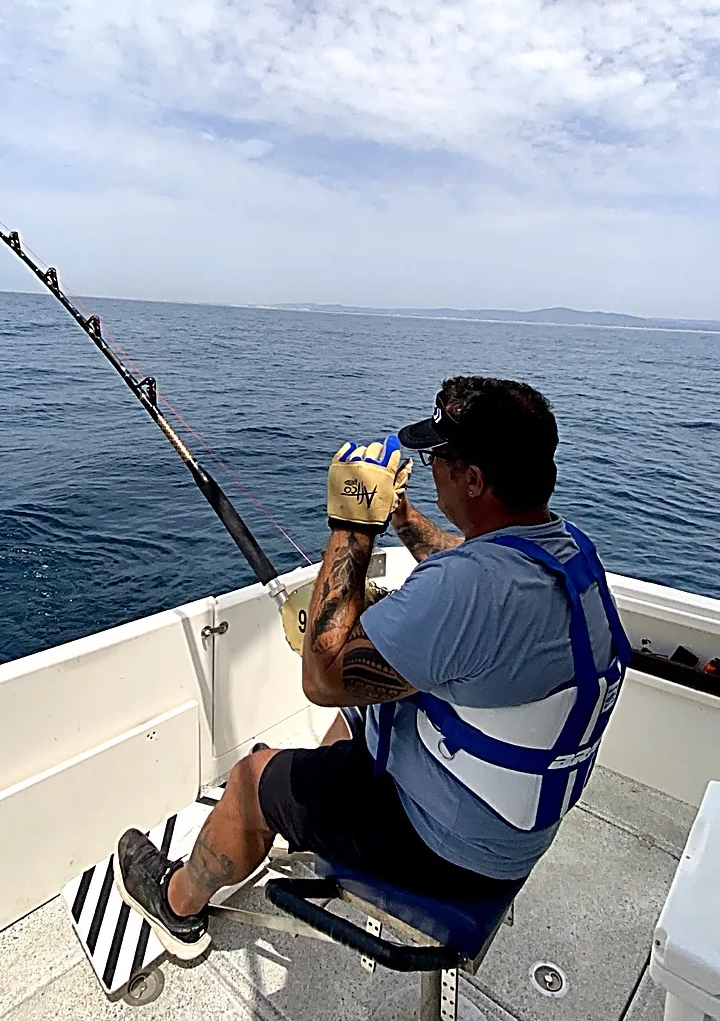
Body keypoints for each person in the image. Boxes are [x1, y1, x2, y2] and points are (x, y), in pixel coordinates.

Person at [114, 375, 631, 959]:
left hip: (449, 851)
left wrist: (352, 526)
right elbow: (466, 560)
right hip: (512, 828)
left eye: (436, 457)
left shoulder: (466, 592)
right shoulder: (565, 552)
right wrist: (401, 515)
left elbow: (322, 678)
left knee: (251, 778)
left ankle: (177, 904)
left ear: (473, 479)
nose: (429, 467)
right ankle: (311, 804)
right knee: (363, 710)